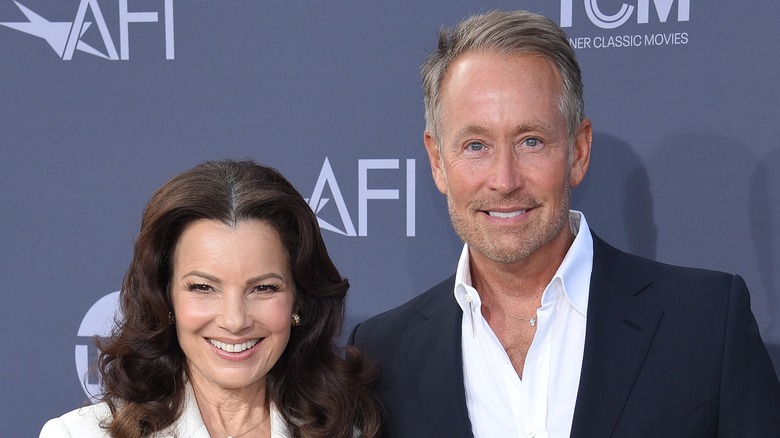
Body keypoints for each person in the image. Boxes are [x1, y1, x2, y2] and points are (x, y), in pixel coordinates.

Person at [349, 9, 780, 438]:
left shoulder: (706, 322)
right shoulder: (380, 354)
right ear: (438, 162)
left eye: (531, 141)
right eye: (476, 145)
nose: (504, 180)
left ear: (578, 150)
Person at [41, 160, 382, 437]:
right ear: (165, 298)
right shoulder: (78, 434)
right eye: (203, 288)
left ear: (299, 301)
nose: (234, 320)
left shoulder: (349, 432)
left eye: (263, 288)